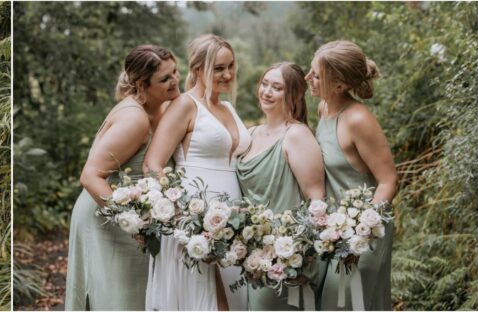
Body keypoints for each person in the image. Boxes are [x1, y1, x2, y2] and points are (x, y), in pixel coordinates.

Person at [64, 45, 181, 310]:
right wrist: (133, 222)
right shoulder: (134, 119)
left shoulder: (159, 106)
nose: (175, 80)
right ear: (142, 84)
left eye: (175, 71)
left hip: (130, 217)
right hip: (105, 216)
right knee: (119, 299)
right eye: (165, 78)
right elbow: (90, 176)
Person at [143, 34, 250, 311]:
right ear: (197, 70)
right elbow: (152, 164)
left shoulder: (227, 107)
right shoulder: (186, 105)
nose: (227, 74)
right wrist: (183, 215)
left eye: (231, 66)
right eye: (218, 68)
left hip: (232, 222)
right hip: (193, 222)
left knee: (235, 298)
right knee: (208, 302)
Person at [307, 40, 397, 311]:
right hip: (334, 231)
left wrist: (362, 233)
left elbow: (389, 180)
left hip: (364, 232)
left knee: (349, 304)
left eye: (316, 75)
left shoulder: (358, 119)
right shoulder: (323, 108)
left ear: (339, 85)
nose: (307, 78)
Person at [237, 62, 327, 310]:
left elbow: (316, 200)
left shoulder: (297, 135)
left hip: (283, 254)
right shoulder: (251, 134)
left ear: (295, 95)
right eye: (264, 84)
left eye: (277, 87)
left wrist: (295, 254)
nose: (266, 91)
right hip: (250, 253)